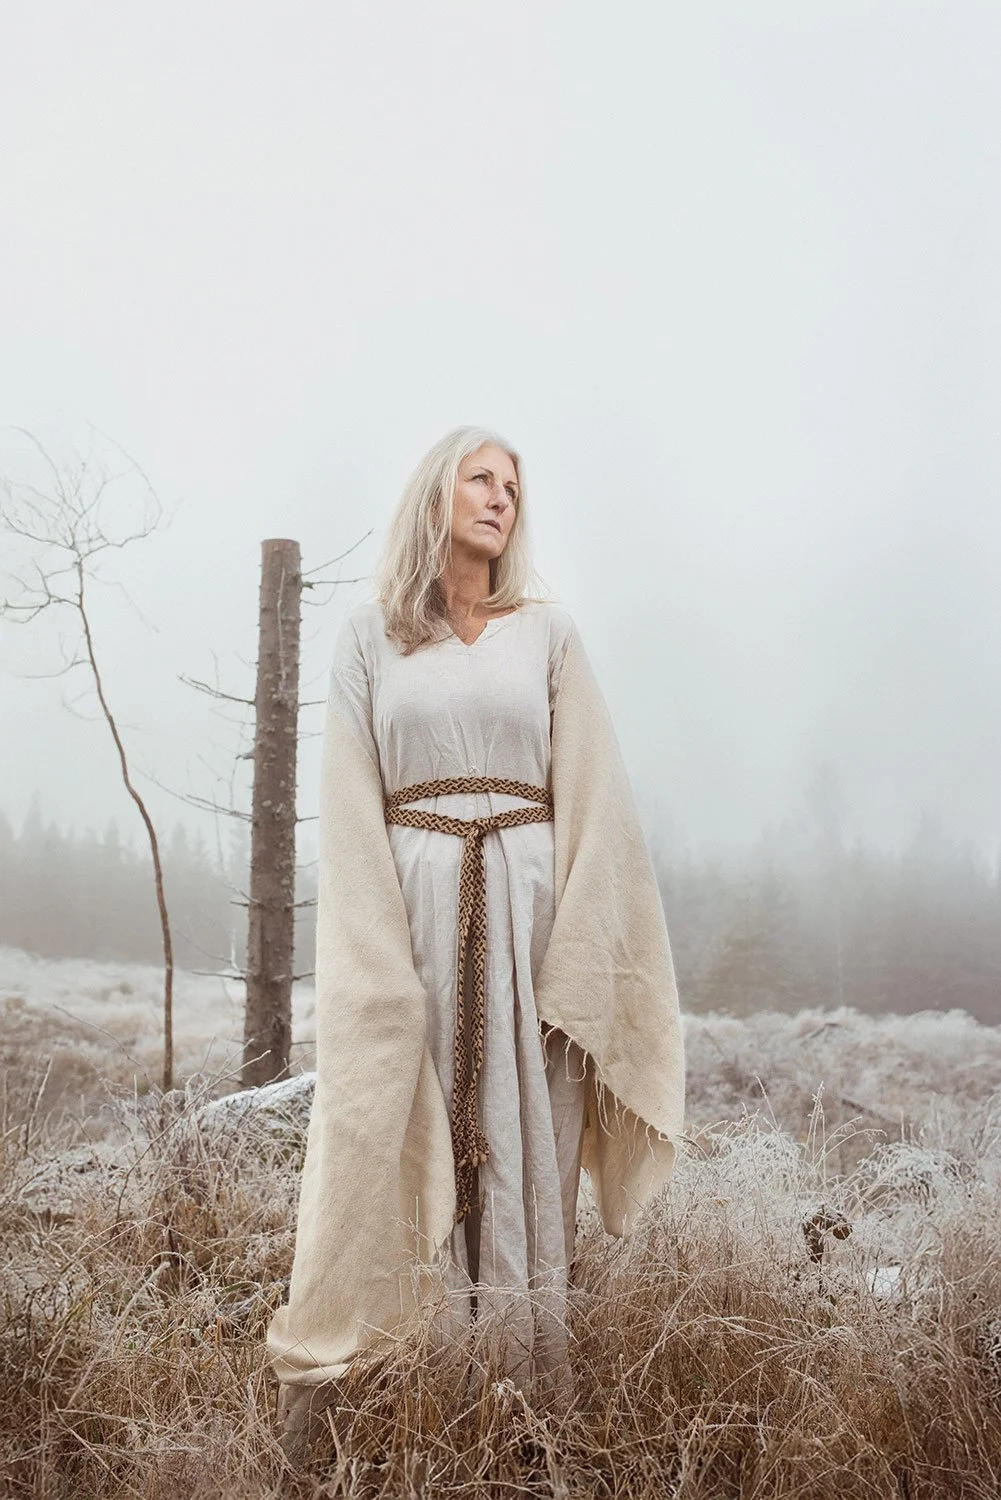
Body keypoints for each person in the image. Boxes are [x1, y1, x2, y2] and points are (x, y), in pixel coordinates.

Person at [266, 425, 685, 1465]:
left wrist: (578, 958)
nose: (499, 496)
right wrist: (373, 975)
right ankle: (405, 1380)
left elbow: (596, 801)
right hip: (410, 916)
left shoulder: (547, 634)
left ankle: (515, 1401)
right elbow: (348, 807)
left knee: (520, 1136)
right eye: (479, 476)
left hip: (529, 919)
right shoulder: (370, 638)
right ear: (435, 492)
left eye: (512, 484)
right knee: (393, 1132)